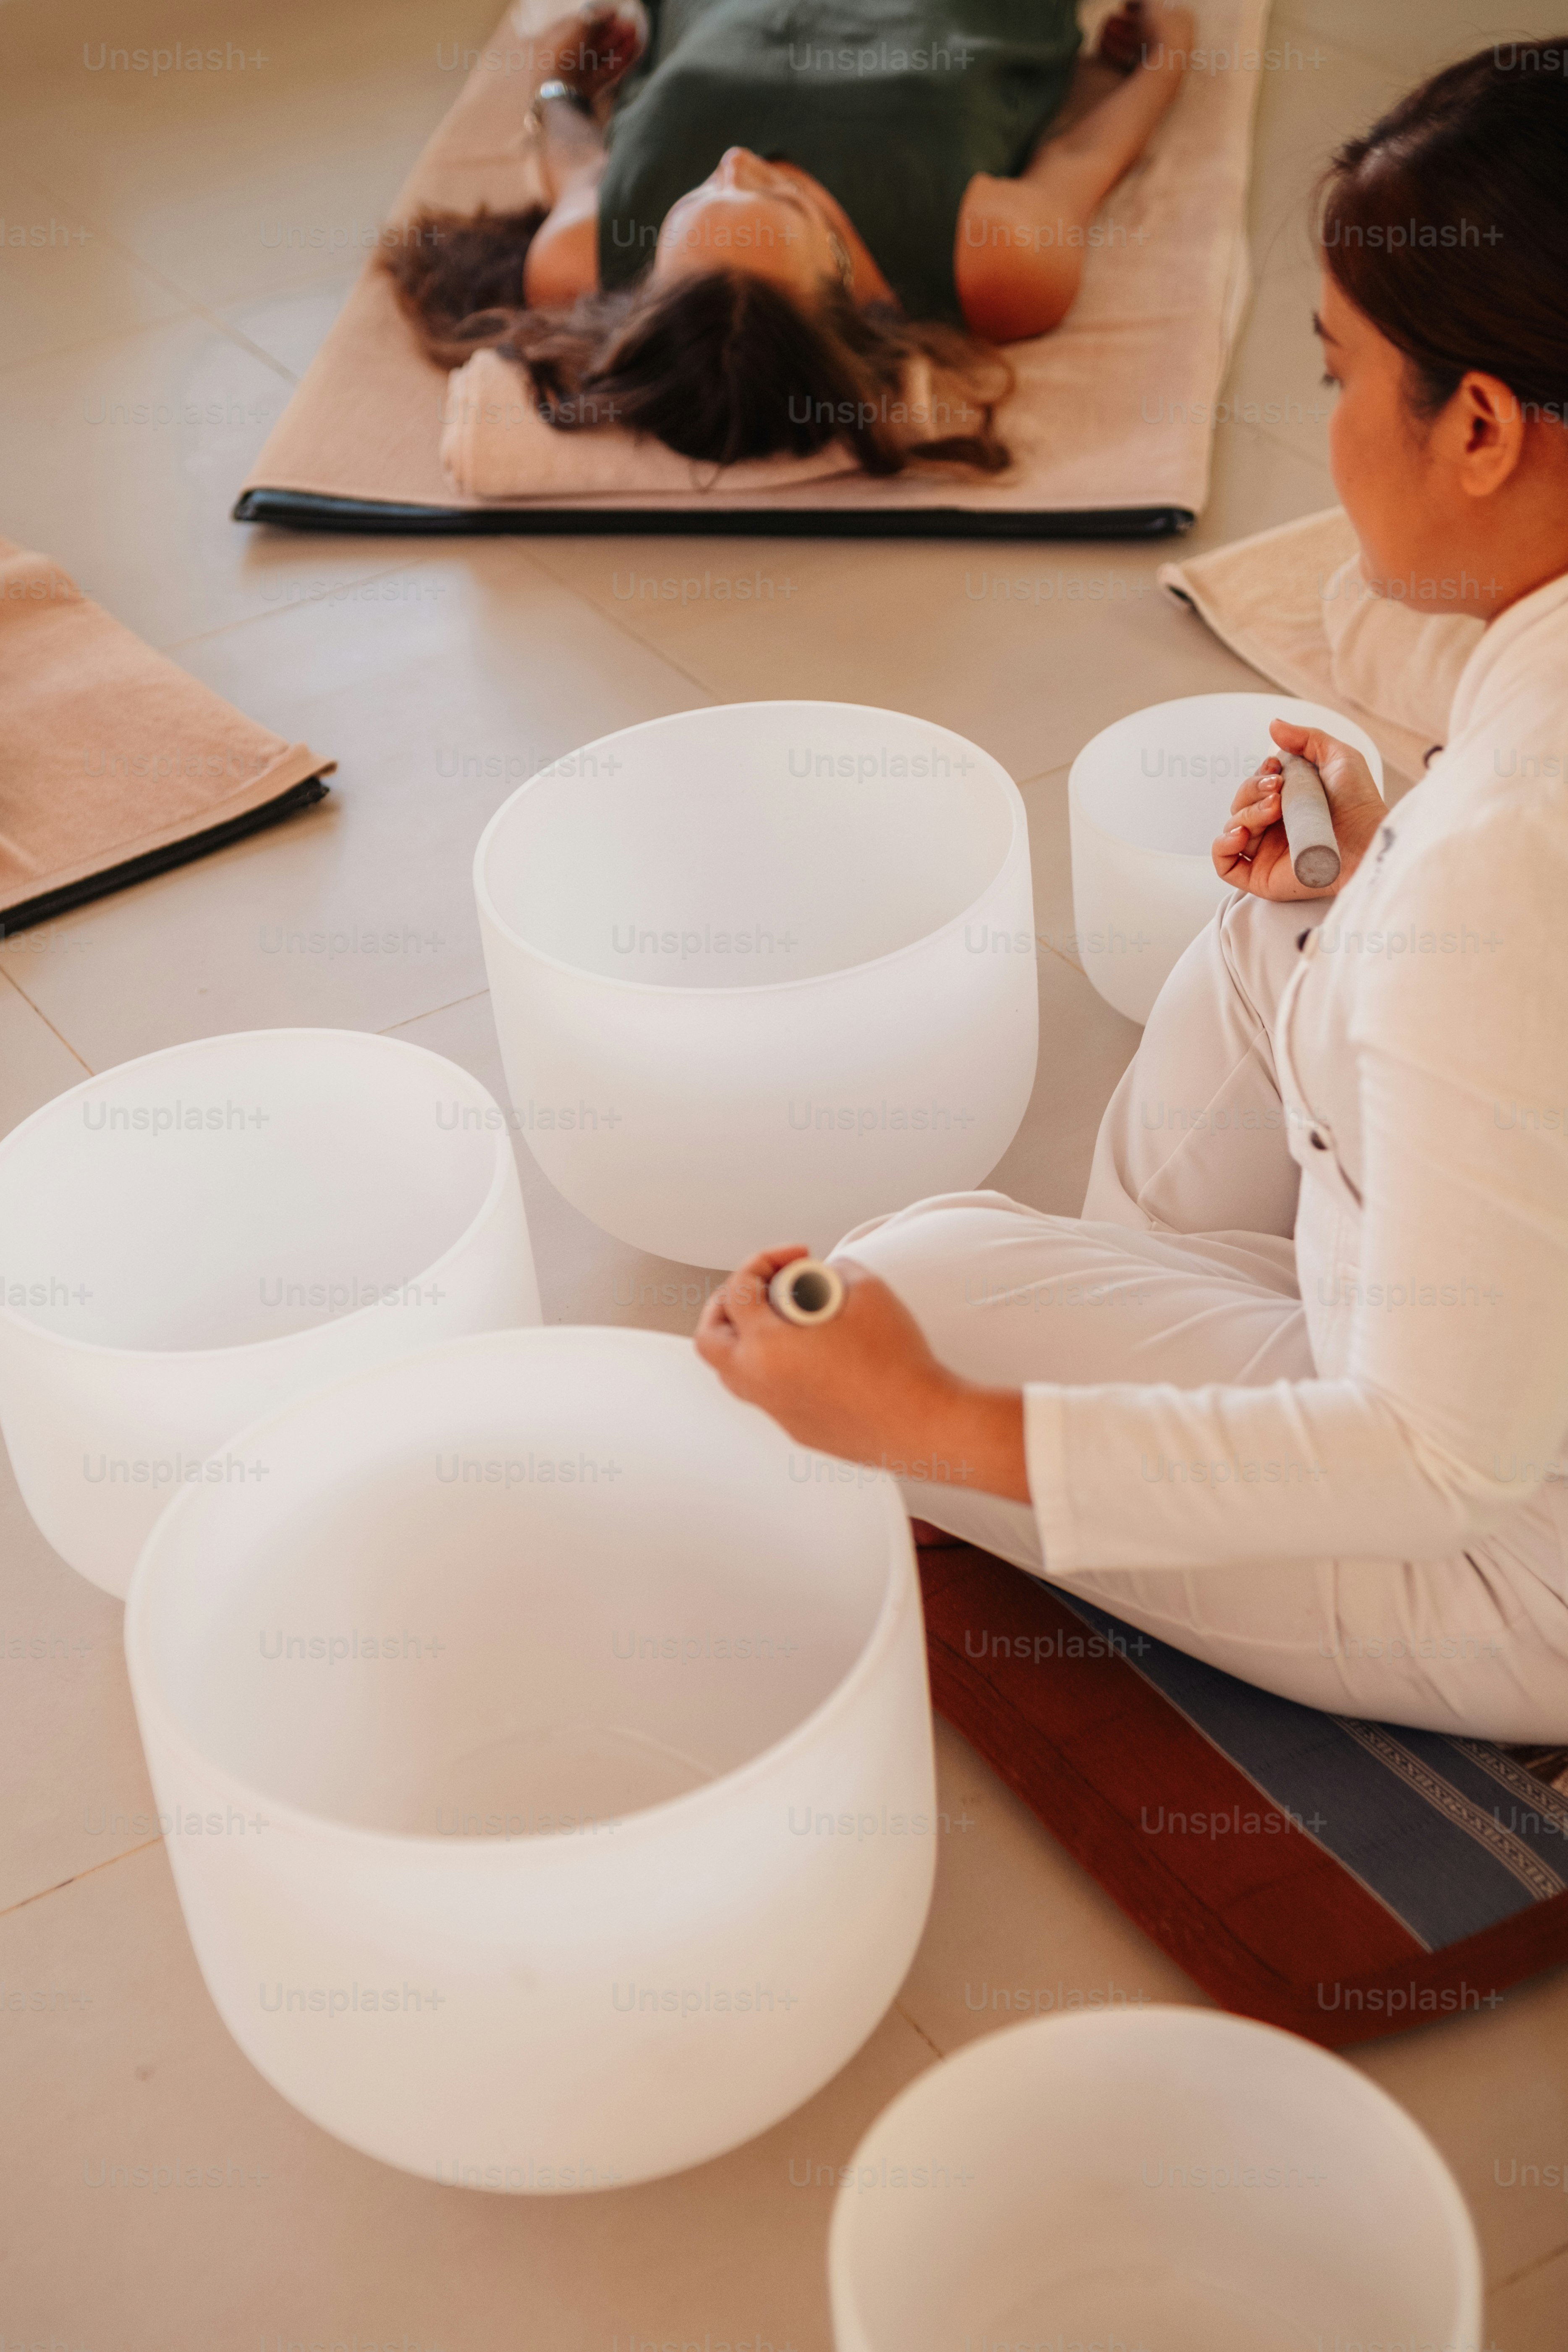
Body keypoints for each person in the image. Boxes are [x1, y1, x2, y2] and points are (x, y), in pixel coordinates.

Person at [696, 39, 1568, 1739]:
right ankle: (1167, 1352)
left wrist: (930, 1416)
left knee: (918, 1280)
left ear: (1475, 425)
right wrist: (1377, 857)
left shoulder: (1511, 859)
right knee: (1290, 915)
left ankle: (1140, 1384)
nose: (1319, 437)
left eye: (1333, 377)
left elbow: (1439, 1459)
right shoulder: (1509, 810)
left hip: (1509, 1541)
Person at [382, 0, 1195, 471]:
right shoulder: (994, 261)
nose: (736, 159)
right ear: (847, 299)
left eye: (698, 194)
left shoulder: (582, 255)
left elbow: (573, 154)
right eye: (785, 197)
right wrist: (1167, 56)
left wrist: (560, 85)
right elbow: (1086, 152)